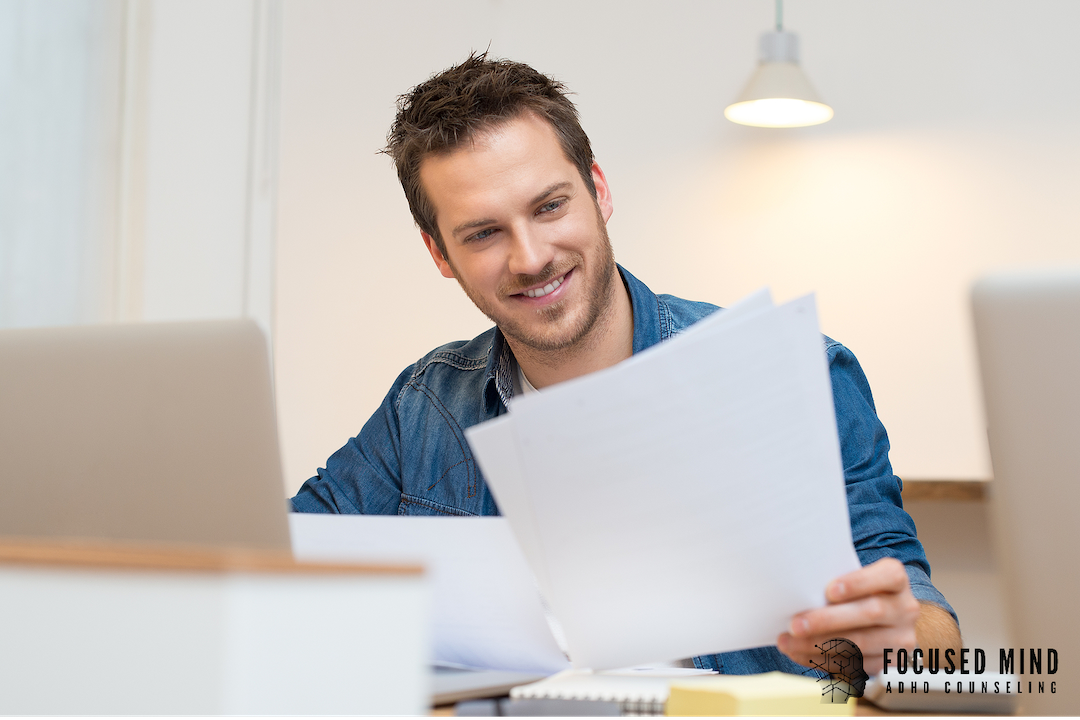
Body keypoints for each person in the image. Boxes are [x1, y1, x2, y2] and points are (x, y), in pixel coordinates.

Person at [291, 53, 961, 675]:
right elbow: (275, 562)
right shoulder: (425, 408)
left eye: (549, 206)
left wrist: (902, 640)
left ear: (599, 192)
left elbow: (935, 642)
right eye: (484, 233)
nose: (530, 257)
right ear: (440, 254)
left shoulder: (801, 374)